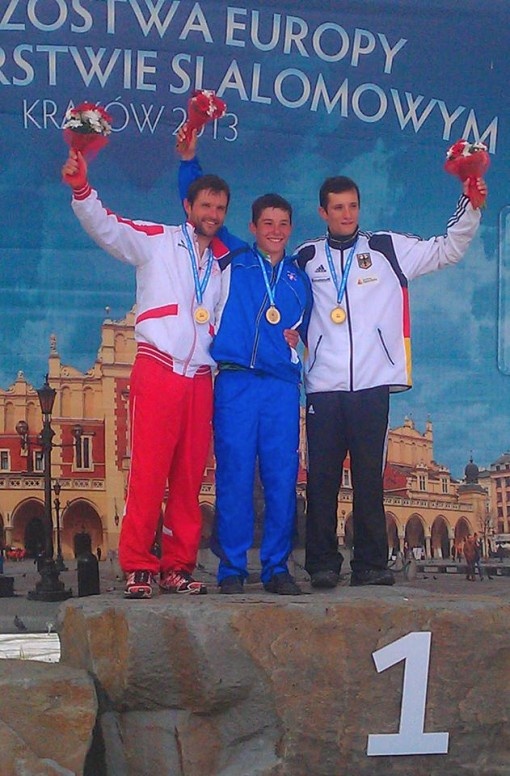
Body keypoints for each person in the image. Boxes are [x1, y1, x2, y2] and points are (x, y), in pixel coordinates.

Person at [297, 174, 487, 588]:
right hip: (324, 387)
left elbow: (447, 250)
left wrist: (470, 206)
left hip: (372, 384)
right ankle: (323, 565)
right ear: (323, 212)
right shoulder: (306, 256)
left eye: (352, 206)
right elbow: (281, 304)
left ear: (358, 208)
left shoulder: (385, 248)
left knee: (369, 478)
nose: (346, 215)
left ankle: (370, 565)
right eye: (337, 207)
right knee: (323, 480)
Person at [62, 147, 233, 599]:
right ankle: (139, 565)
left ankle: (178, 566)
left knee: (189, 476)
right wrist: (82, 189)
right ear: (188, 208)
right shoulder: (157, 240)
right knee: (148, 472)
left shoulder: (219, 266)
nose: (212, 214)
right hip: (158, 367)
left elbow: (219, 319)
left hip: (200, 378)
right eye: (206, 206)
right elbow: (109, 228)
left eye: (219, 209)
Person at [177, 130, 312, 595]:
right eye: (267, 223)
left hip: (279, 388)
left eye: (283, 223)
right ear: (253, 228)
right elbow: (195, 202)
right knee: (234, 474)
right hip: (235, 384)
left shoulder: (300, 279)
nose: (275, 230)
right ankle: (232, 567)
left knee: (280, 478)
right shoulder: (234, 257)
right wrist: (189, 160)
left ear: (291, 229)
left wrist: (300, 343)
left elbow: (311, 333)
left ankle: (276, 567)